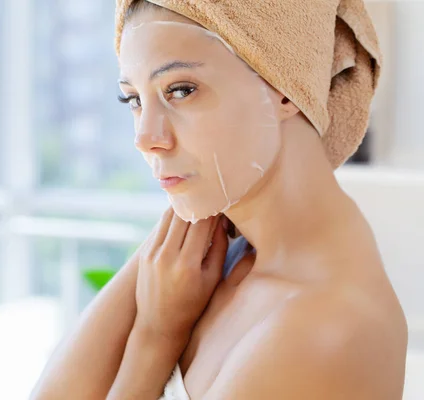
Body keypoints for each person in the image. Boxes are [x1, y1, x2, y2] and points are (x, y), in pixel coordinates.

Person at [31, 1, 408, 399]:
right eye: (134, 100)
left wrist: (155, 338)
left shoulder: (325, 328)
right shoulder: (196, 252)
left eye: (180, 90)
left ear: (285, 88)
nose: (144, 138)